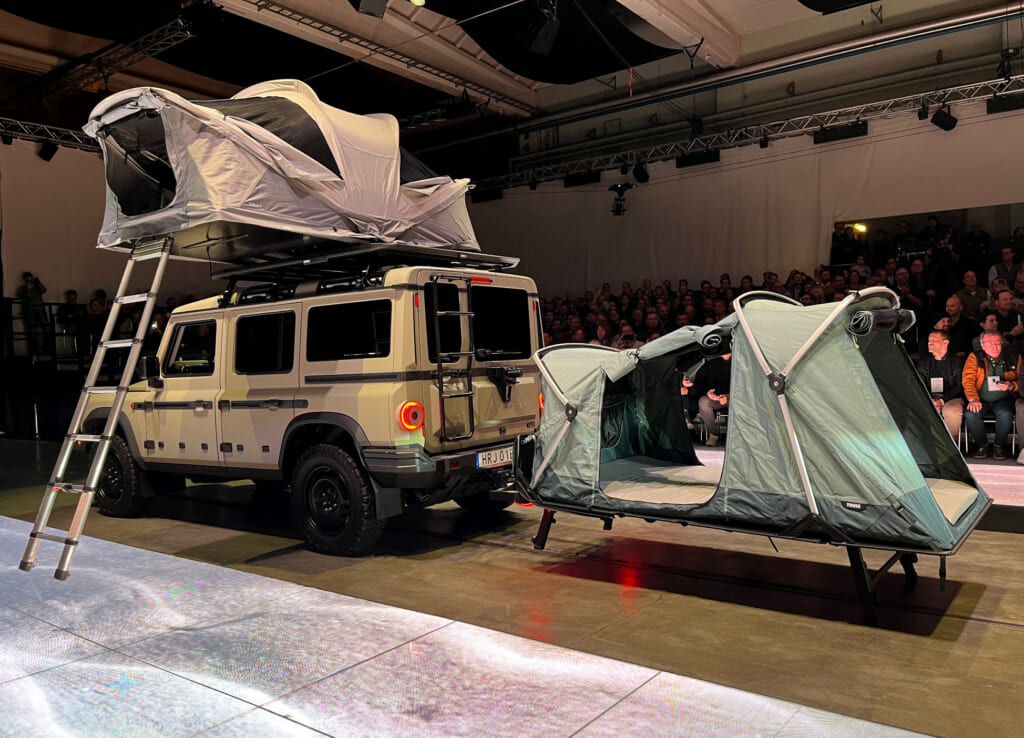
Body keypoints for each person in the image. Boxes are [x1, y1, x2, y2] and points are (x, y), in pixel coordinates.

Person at [962, 331, 1019, 460]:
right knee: (971, 414)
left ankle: (999, 446)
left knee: (1005, 413)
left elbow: (1022, 379)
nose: (995, 346)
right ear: (982, 345)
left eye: (998, 343)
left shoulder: (1013, 356)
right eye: (990, 343)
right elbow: (968, 380)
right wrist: (973, 399)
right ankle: (982, 446)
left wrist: (1012, 385)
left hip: (1005, 398)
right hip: (980, 399)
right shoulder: (975, 357)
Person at [917, 329, 965, 440]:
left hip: (952, 398)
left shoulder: (957, 362)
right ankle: (928, 442)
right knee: (920, 409)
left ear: (945, 343)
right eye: (929, 340)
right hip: (930, 397)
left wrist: (942, 401)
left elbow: (959, 386)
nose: (930, 343)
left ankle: (950, 443)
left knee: (951, 411)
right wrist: (931, 400)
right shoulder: (924, 363)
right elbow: (919, 385)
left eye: (934, 340)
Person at [688, 352, 731, 446]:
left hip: (735, 398)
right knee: (704, 402)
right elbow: (705, 383)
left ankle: (737, 436)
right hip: (717, 397)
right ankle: (713, 434)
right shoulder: (712, 361)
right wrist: (710, 393)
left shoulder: (739, 360)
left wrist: (728, 396)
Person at [16, 271, 49, 355]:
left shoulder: (37, 286)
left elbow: (44, 290)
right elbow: (26, 295)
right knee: (32, 330)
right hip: (30, 310)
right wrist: (29, 287)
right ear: (24, 279)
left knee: (46, 328)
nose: (29, 279)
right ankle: (34, 351)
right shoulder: (23, 288)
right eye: (27, 278)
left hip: (40, 308)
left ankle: (47, 349)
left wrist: (38, 282)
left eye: (30, 277)